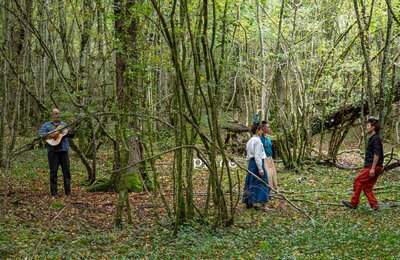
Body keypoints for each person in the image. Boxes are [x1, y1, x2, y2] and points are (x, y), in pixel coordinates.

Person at [342, 118, 384, 210]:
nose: (367, 127)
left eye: (368, 126)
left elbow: (377, 153)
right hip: (375, 166)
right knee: (367, 187)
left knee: (358, 181)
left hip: (372, 166)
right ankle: (375, 206)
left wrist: (372, 168)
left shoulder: (375, 139)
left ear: (373, 127)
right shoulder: (373, 138)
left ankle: (354, 203)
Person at [39, 108, 74, 197]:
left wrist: (73, 128)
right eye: (55, 113)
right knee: (53, 172)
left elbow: (71, 135)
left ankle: (68, 192)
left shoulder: (64, 124)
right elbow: (41, 134)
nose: (57, 115)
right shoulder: (46, 125)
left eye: (58, 113)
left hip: (64, 151)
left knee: (67, 172)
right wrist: (52, 134)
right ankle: (54, 193)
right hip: (53, 152)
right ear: (52, 115)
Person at [242, 124, 270, 210]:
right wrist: (260, 168)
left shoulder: (250, 140)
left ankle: (250, 202)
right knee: (263, 181)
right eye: (261, 130)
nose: (262, 131)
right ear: (257, 131)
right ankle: (263, 204)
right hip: (257, 163)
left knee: (251, 182)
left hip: (251, 164)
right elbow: (257, 156)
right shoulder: (257, 141)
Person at [261, 122, 278, 190]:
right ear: (263, 128)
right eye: (268, 127)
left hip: (270, 157)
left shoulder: (268, 138)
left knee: (272, 173)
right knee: (268, 174)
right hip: (264, 158)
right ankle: (268, 187)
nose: (269, 128)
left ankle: (273, 187)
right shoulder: (260, 138)